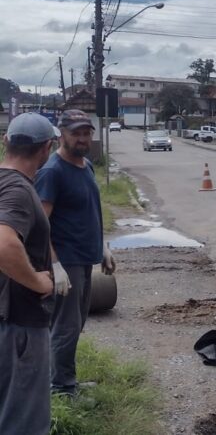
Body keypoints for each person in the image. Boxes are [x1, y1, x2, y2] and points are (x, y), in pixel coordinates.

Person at [34, 109, 116, 397]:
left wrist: (102, 246)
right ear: (61, 134)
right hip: (65, 263)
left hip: (84, 259)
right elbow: (39, 226)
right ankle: (61, 388)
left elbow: (88, 211)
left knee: (77, 323)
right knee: (65, 328)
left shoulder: (86, 165)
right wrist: (54, 265)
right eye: (75, 133)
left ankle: (64, 379)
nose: (82, 138)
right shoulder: (51, 172)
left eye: (86, 132)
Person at [0, 113, 57, 434]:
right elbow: (4, 244)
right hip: (19, 325)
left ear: (5, 141)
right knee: (24, 423)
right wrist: (38, 280)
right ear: (46, 148)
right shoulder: (19, 190)